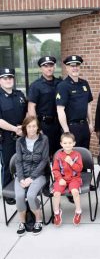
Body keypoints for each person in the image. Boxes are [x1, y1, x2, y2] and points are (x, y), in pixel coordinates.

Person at [14, 116, 49, 236]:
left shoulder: (44, 139)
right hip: (22, 175)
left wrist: (31, 178)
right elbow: (18, 161)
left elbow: (44, 161)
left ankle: (38, 220)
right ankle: (22, 222)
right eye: (29, 126)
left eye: (34, 126)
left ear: (38, 127)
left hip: (38, 175)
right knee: (19, 196)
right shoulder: (20, 141)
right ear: (25, 128)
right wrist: (21, 178)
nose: (32, 129)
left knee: (30, 195)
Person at [0, 68, 27, 204]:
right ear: (0, 80)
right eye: (5, 78)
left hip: (22, 135)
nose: (8, 80)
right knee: (7, 166)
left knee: (22, 163)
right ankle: (8, 193)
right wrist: (14, 129)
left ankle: (22, 188)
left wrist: (24, 128)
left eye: (10, 77)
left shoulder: (20, 95)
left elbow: (27, 113)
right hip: (6, 137)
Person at [56, 55, 93, 149]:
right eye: (72, 66)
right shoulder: (63, 86)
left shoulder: (84, 83)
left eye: (77, 65)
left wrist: (90, 123)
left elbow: (88, 104)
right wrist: (66, 131)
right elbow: (60, 110)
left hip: (84, 126)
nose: (75, 68)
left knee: (84, 154)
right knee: (72, 156)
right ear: (67, 68)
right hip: (71, 127)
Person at [28, 56, 62, 158]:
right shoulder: (36, 85)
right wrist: (37, 127)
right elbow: (31, 107)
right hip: (44, 125)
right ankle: (45, 174)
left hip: (58, 124)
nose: (49, 68)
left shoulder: (60, 83)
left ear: (54, 67)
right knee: (44, 157)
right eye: (45, 66)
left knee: (59, 155)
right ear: (41, 68)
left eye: (51, 65)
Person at [52, 132, 83, 226]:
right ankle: (57, 213)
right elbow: (55, 170)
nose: (67, 145)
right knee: (56, 193)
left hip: (74, 178)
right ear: (61, 144)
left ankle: (78, 211)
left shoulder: (77, 155)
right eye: (65, 143)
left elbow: (80, 168)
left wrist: (71, 163)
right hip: (62, 178)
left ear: (74, 143)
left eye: (70, 143)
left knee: (75, 192)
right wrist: (59, 178)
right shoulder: (58, 156)